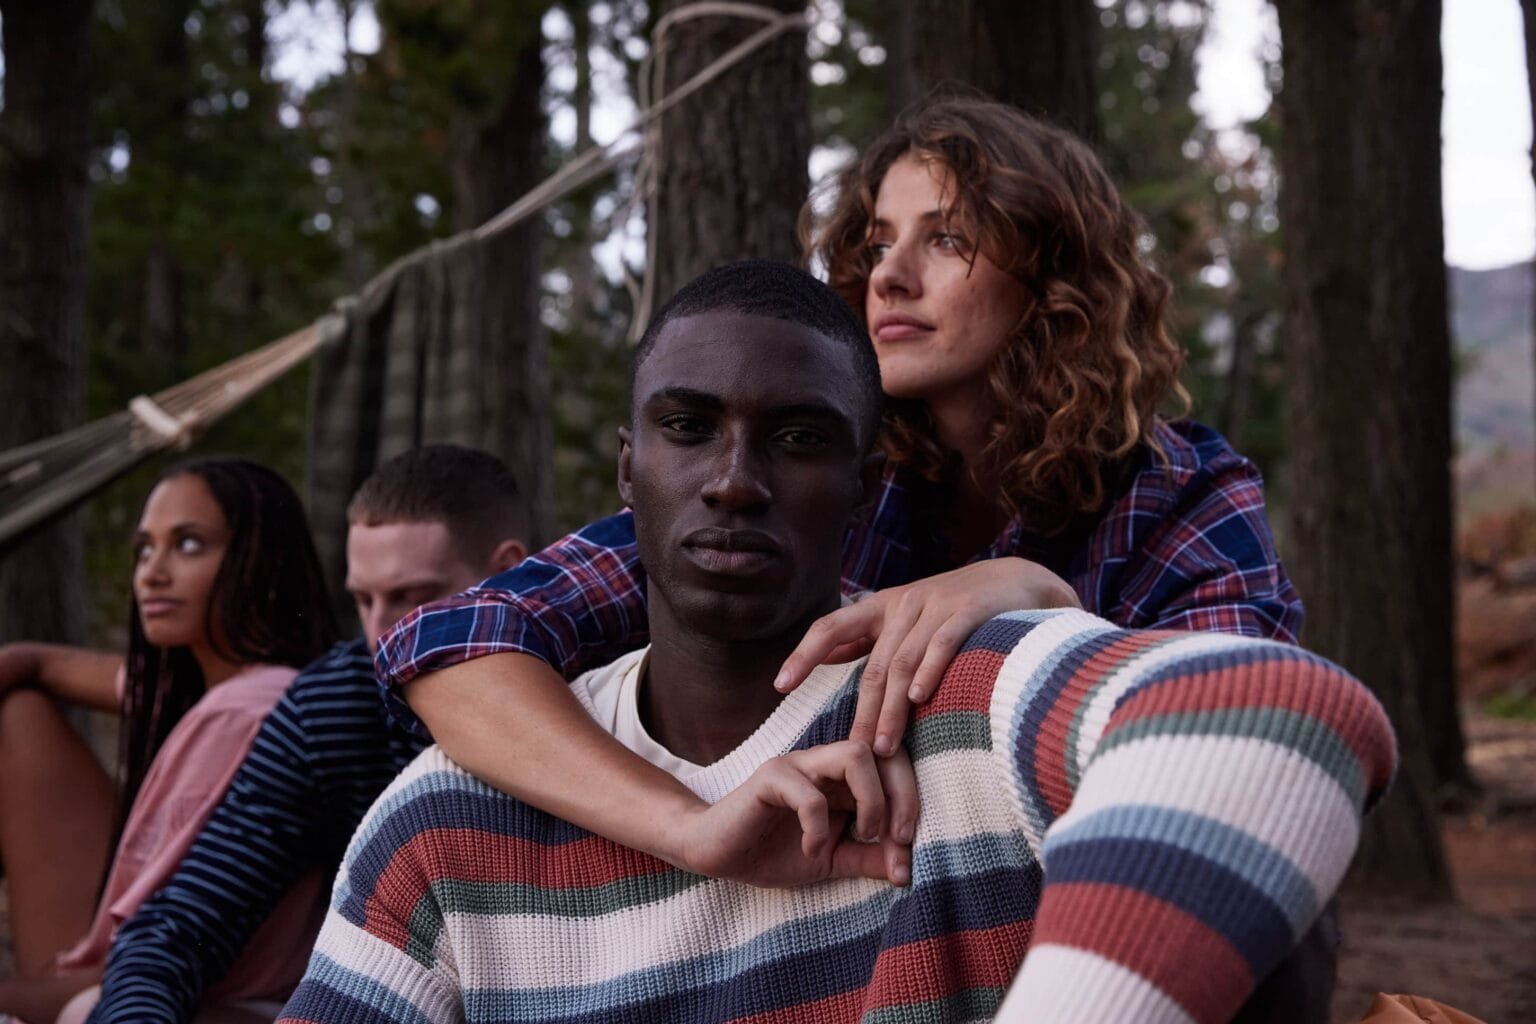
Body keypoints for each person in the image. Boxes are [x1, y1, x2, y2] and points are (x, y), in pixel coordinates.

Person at [279, 262, 1394, 1024]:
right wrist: (695, 827)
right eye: (687, 426)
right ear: (628, 468)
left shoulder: (963, 700)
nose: (733, 479)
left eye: (799, 438)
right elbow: (445, 643)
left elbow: (1275, 715)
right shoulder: (450, 817)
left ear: (867, 486)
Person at [371, 96, 1302, 878]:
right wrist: (688, 829)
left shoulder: (1177, 491)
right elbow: (453, 643)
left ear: (1057, 281)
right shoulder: (810, 475)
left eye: (947, 238)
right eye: (879, 240)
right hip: (844, 903)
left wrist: (1042, 605)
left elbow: (1259, 744)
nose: (890, 275)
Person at [69, 446, 529, 1024]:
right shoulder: (333, 705)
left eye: (412, 599)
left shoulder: (598, 690)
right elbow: (178, 926)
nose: (382, 636)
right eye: (363, 600)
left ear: (507, 570)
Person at [0, 458, 337, 1024]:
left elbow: (147, 958)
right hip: (153, 975)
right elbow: (38, 663)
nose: (152, 574)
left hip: (178, 998)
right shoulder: (230, 688)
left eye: (188, 545)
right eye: (144, 549)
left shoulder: (240, 711)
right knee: (21, 711)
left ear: (261, 559)